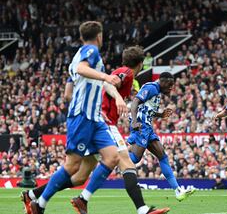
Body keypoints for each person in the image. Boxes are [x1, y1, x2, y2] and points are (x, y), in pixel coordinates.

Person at [21, 46, 169, 214]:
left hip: (97, 121)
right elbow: (108, 84)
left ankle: (33, 195)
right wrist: (119, 98)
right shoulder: (126, 72)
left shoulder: (126, 75)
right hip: (104, 123)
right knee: (126, 163)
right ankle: (142, 209)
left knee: (80, 176)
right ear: (141, 63)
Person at [29, 21, 127, 214]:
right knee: (72, 165)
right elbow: (83, 69)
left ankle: (83, 199)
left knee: (112, 157)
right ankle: (39, 203)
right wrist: (105, 78)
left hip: (94, 118)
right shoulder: (91, 51)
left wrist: (112, 95)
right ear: (99, 36)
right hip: (83, 116)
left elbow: (67, 93)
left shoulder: (78, 57)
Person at [127, 72, 195, 201]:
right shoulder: (151, 88)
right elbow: (135, 101)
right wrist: (135, 121)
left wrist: (160, 115)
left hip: (148, 127)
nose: (171, 88)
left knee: (163, 156)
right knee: (134, 159)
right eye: (169, 85)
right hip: (141, 125)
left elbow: (147, 109)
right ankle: (112, 157)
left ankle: (178, 191)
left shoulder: (157, 91)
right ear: (162, 81)